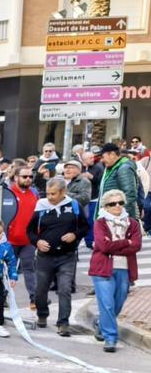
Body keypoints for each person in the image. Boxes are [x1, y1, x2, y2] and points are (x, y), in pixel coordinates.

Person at [28, 176, 89, 336]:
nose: (49, 197)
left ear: (63, 192)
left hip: (67, 256)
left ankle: (63, 323)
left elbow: (85, 227)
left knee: (64, 289)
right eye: (48, 193)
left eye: (53, 194)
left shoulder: (74, 205)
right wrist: (37, 242)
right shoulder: (41, 206)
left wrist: (75, 235)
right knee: (41, 289)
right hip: (45, 257)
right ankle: (42, 314)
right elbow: (30, 231)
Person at [90, 189, 143, 352]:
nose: (118, 206)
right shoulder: (100, 223)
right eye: (113, 204)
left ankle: (101, 324)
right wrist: (126, 242)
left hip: (125, 269)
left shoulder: (132, 223)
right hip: (102, 269)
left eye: (121, 202)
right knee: (107, 304)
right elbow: (103, 246)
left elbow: (136, 245)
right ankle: (110, 338)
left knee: (118, 303)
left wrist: (116, 244)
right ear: (105, 206)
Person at [5, 165, 39, 304]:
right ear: (16, 178)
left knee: (29, 269)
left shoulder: (34, 193)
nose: (28, 179)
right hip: (10, 241)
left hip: (28, 241)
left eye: (31, 176)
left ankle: (35, 298)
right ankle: (2, 298)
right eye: (25, 176)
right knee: (6, 271)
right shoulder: (8, 192)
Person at [97, 143, 141, 223]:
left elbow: (129, 195)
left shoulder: (124, 169)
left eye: (103, 157)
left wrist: (120, 218)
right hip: (112, 216)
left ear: (112, 154)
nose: (101, 160)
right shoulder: (112, 168)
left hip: (120, 220)